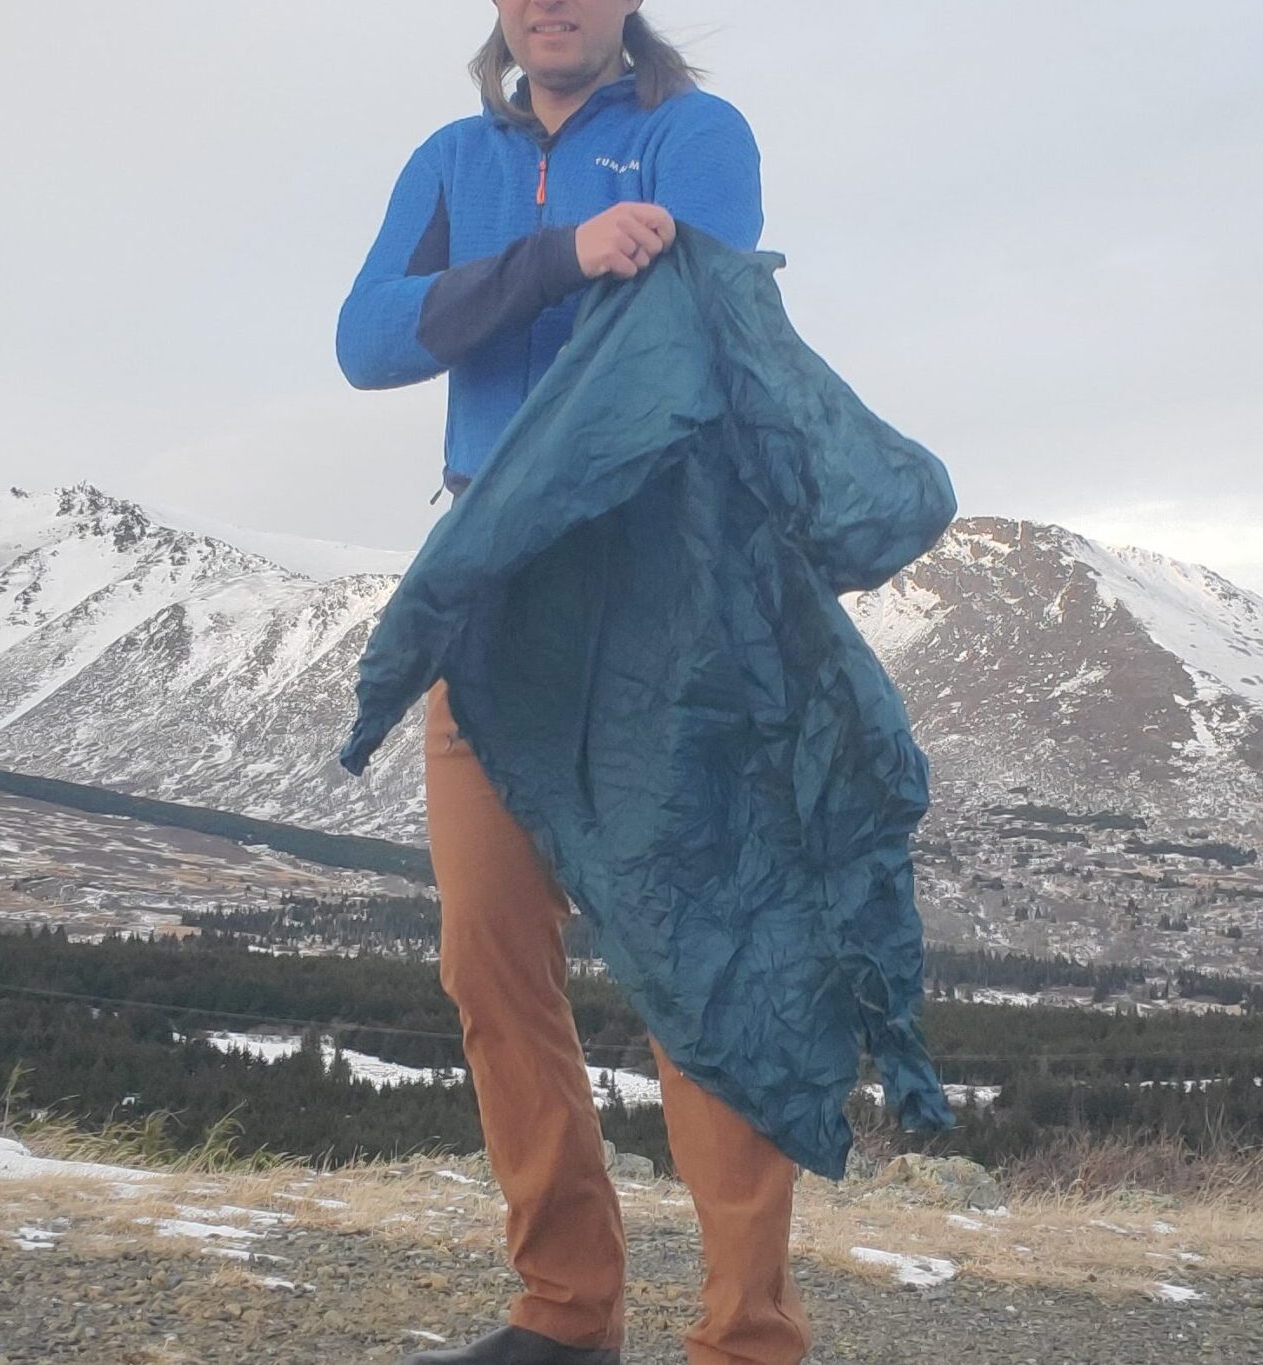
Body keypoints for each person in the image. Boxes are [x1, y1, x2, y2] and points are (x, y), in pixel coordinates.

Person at [335, 5, 809, 1364]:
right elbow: (369, 338)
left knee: (691, 963)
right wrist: (555, 258)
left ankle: (748, 1335)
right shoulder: (448, 161)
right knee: (486, 948)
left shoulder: (690, 133)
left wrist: (573, 277)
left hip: (651, 584)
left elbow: (704, 325)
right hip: (486, 586)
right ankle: (563, 1309)